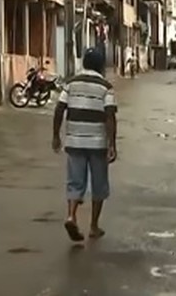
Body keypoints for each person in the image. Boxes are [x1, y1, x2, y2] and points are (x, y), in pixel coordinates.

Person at [52, 47, 118, 242]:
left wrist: (56, 135)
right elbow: (110, 117)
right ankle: (94, 226)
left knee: (75, 180)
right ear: (100, 65)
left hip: (74, 140)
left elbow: (59, 108)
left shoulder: (71, 83)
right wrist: (112, 144)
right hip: (97, 143)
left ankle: (71, 215)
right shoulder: (105, 87)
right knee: (99, 184)